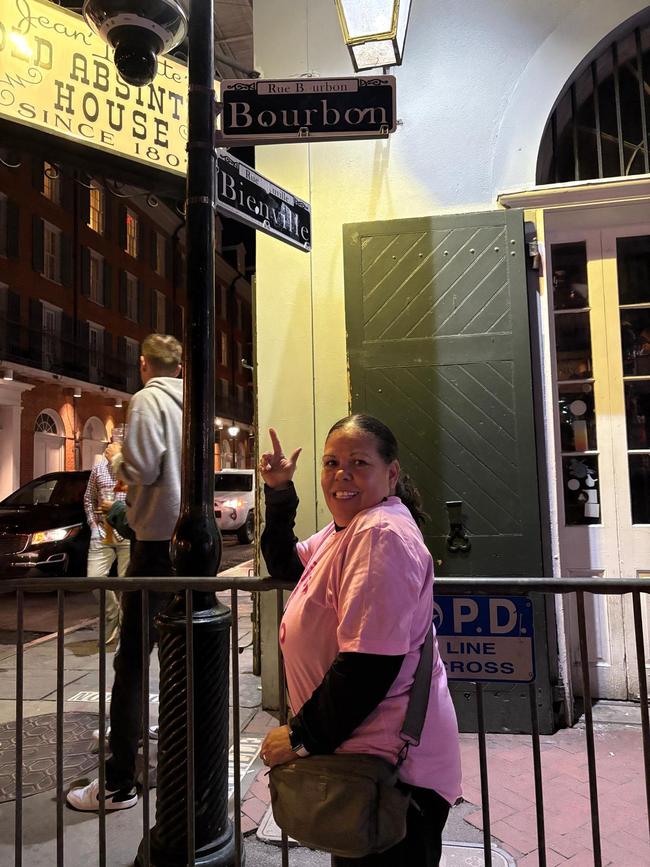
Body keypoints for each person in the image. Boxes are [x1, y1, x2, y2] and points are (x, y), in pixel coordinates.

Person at [259, 415, 462, 866]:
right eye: (331, 462)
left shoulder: (379, 535)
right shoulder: (349, 530)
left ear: (390, 473)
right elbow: (285, 565)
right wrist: (278, 492)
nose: (341, 474)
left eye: (358, 462)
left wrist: (298, 736)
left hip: (391, 771)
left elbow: (368, 665)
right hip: (359, 758)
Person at [67, 333, 183, 812]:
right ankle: (174, 755)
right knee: (181, 654)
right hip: (189, 546)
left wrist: (116, 455)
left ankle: (117, 784)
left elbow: (139, 467)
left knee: (131, 661)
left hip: (154, 546)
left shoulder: (147, 400)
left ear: (142, 364)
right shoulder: (188, 404)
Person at [83, 446, 129, 644]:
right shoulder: (99, 469)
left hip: (127, 532)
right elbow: (89, 498)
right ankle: (112, 614)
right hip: (102, 532)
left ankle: (126, 629)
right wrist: (93, 524)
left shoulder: (132, 469)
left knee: (127, 583)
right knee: (94, 579)